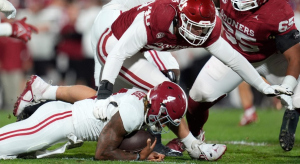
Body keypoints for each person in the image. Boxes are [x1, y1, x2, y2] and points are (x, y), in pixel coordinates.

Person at [167, 0, 300, 152]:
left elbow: (295, 56)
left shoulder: (278, 9)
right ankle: (192, 136)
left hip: (271, 58)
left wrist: (288, 85)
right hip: (231, 52)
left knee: (298, 100)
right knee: (200, 94)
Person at [0, 75, 227, 161]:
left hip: (63, 118)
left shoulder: (143, 96)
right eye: (165, 117)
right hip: (56, 122)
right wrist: (139, 157)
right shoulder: (133, 113)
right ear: (157, 106)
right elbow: (102, 153)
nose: (164, 122)